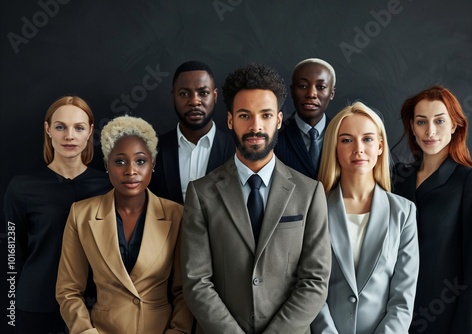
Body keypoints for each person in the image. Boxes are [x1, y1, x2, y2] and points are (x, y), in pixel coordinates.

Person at [181, 63, 331, 334]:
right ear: (230, 120)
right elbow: (196, 282)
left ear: (278, 120)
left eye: (265, 115)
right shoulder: (201, 193)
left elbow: (315, 280)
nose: (256, 126)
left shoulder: (309, 192)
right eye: (244, 115)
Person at [56, 115, 192, 333]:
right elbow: (68, 290)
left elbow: (185, 291)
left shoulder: (176, 215)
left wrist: (177, 331)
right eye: (120, 161)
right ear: (106, 165)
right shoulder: (80, 214)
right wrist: (85, 331)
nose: (131, 171)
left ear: (153, 164)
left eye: (140, 161)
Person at [3, 95, 111, 334]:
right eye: (60, 127)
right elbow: (12, 258)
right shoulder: (22, 188)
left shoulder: (108, 187)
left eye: (79, 128)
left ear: (90, 131)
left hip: (94, 308)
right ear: (48, 130)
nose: (69, 136)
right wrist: (9, 318)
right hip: (36, 309)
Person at [311, 101, 419, 334]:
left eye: (367, 139)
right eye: (347, 140)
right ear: (334, 148)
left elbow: (402, 300)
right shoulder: (314, 209)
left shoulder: (404, 212)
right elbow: (310, 289)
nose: (358, 149)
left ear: (380, 146)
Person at [392, 85, 472, 334]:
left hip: (446, 320)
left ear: (454, 125)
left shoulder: (471, 181)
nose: (430, 131)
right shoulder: (398, 178)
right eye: (421, 122)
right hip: (394, 316)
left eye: (439, 121)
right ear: (412, 127)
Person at [149, 60, 235, 204]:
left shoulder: (236, 151)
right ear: (173, 97)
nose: (194, 101)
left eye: (203, 93)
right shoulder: (153, 149)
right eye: (184, 93)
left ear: (215, 96)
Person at [274, 57, 336, 179]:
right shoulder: (275, 138)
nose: (311, 94)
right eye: (303, 86)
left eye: (321, 87)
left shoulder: (342, 135)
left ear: (332, 93)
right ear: (292, 91)